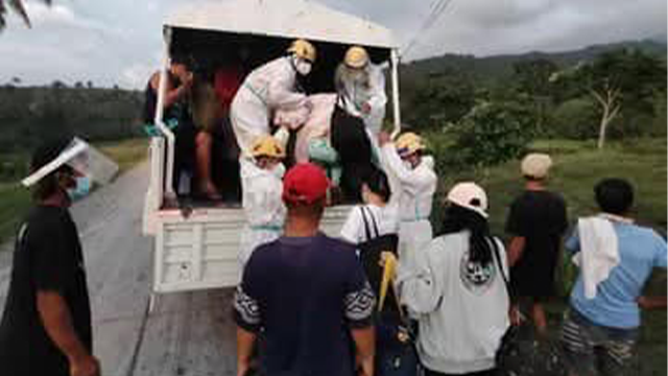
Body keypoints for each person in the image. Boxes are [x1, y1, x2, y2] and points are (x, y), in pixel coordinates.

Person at [234, 163, 376, 376]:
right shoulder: (344, 257)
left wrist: (243, 362)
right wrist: (367, 359)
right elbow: (361, 320)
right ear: (324, 201)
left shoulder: (260, 259)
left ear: (284, 200)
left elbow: (247, 321)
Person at [0, 138, 100, 376]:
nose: (86, 174)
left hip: (25, 353)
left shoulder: (37, 218)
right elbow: (49, 302)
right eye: (80, 168)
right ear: (60, 178)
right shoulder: (53, 226)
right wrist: (79, 359)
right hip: (39, 358)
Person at [396, 182, 510, 376]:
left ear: (452, 212)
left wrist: (404, 279)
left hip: (445, 359)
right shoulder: (496, 247)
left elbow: (421, 303)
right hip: (489, 355)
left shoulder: (438, 248)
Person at [560, 178, 667, 376]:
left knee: (578, 369)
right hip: (624, 324)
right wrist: (655, 302)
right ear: (631, 204)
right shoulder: (652, 239)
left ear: (597, 202)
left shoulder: (586, 228)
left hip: (582, 314)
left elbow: (570, 250)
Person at [505, 153, 568, 335]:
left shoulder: (520, 203)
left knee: (514, 299)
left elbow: (519, 240)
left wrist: (508, 264)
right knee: (538, 302)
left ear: (524, 173)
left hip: (524, 260)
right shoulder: (557, 202)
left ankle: (513, 332)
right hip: (547, 257)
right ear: (546, 174)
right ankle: (542, 334)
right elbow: (560, 232)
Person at [230, 39, 316, 155]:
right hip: (249, 106)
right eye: (306, 61)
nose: (307, 66)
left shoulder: (286, 68)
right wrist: (302, 99)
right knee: (260, 150)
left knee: (256, 148)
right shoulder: (285, 71)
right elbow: (277, 96)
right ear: (296, 57)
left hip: (252, 105)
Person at [379, 131, 437, 262]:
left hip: (418, 230)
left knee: (420, 269)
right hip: (405, 228)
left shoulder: (426, 176)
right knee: (404, 269)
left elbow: (403, 176)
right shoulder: (413, 171)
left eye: (407, 156)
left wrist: (388, 147)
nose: (405, 161)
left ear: (415, 153)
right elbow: (394, 171)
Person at [144, 58, 198, 196]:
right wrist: (185, 86)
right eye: (184, 67)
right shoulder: (162, 76)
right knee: (185, 133)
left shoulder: (177, 82)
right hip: (155, 125)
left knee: (193, 130)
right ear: (175, 65)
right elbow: (165, 101)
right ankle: (182, 179)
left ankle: (186, 178)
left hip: (170, 123)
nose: (186, 71)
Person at [238, 135, 287, 269]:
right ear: (268, 160)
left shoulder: (249, 176)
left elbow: (244, 159)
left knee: (250, 275)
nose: (279, 164)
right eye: (277, 160)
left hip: (249, 235)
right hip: (269, 238)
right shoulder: (273, 183)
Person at [335, 46, 387, 137]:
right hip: (351, 111)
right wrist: (351, 111)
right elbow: (342, 93)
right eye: (350, 67)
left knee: (369, 137)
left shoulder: (375, 72)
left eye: (357, 68)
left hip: (373, 114)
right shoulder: (341, 71)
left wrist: (370, 104)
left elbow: (380, 96)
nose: (353, 70)